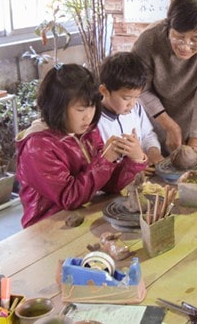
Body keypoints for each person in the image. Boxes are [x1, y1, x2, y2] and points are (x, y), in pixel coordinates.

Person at [15, 64, 147, 228]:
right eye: (80, 109)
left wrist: (134, 159)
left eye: (92, 106)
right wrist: (105, 160)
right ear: (57, 108)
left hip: (84, 215)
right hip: (49, 226)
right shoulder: (37, 147)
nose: (89, 116)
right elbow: (69, 198)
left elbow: (109, 185)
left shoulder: (87, 132)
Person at [131, 0, 197, 154]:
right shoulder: (149, 40)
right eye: (179, 37)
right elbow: (142, 90)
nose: (185, 46)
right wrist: (169, 125)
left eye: (195, 39)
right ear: (169, 27)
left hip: (194, 119)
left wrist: (195, 143)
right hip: (155, 120)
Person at [98, 51, 164, 166]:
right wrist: (136, 160)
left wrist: (153, 152)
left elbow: (147, 134)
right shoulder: (95, 121)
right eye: (126, 98)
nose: (132, 104)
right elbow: (99, 165)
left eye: (137, 97)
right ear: (104, 91)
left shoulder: (136, 108)